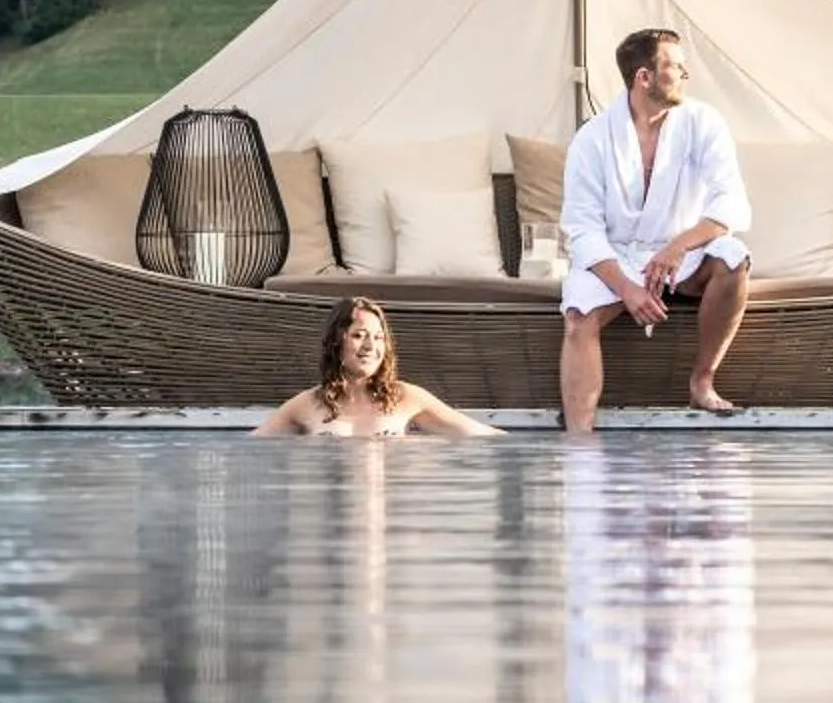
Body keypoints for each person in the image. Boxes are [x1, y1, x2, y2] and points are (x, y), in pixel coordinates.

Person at [559, 28, 752, 431]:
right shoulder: (591, 140)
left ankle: (702, 379)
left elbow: (730, 202)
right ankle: (580, 438)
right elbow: (583, 230)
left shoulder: (704, 123)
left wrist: (678, 246)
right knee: (578, 317)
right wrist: (627, 288)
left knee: (733, 258)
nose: (686, 74)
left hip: (685, 254)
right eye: (675, 66)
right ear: (644, 77)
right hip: (617, 256)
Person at [255, 298, 504, 437]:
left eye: (377, 338)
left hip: (388, 508)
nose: (369, 347)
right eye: (358, 335)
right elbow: (249, 447)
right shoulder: (306, 404)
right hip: (332, 510)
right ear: (335, 342)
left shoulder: (406, 397)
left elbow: (482, 436)